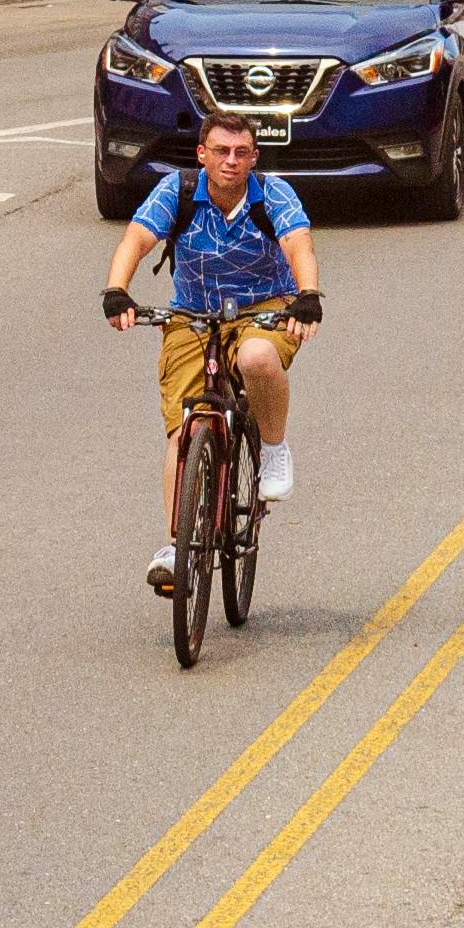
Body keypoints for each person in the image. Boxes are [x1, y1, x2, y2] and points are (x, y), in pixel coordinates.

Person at [103, 110, 323, 594]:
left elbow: (298, 244)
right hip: (193, 312)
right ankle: (175, 546)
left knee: (257, 360)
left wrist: (307, 296)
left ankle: (273, 448)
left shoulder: (273, 194)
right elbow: (136, 240)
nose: (231, 161)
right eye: (221, 151)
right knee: (184, 428)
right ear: (201, 154)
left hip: (266, 306)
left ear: (253, 157)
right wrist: (117, 290)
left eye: (241, 152)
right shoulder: (178, 191)